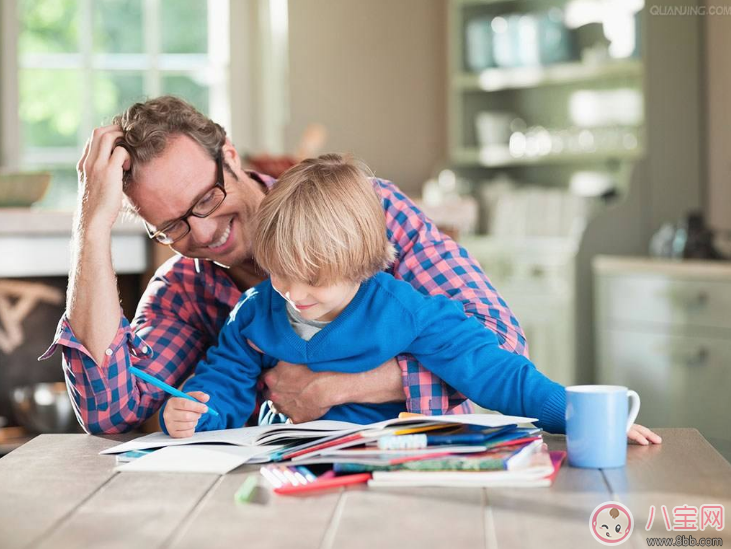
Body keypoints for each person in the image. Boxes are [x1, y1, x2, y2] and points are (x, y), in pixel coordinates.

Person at [40, 96, 659, 445]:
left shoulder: (362, 220)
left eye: (203, 201)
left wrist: (340, 387)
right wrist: (92, 223)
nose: (199, 233)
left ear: (229, 156)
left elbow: (497, 358)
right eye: (171, 226)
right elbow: (114, 411)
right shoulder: (235, 307)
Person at [161, 154, 660, 448]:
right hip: (284, 463)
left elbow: (497, 372)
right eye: (280, 275)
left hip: (388, 461)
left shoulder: (406, 310)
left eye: (310, 277)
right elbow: (222, 380)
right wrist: (194, 414)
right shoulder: (255, 309)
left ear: (359, 259)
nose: (292, 294)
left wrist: (579, 415)